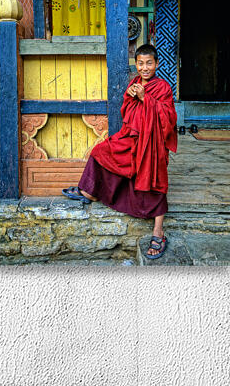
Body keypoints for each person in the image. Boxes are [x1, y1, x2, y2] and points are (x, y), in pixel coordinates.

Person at [62, 44, 178, 259]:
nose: (145, 68)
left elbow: (168, 118)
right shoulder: (134, 83)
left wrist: (146, 98)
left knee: (155, 177)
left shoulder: (162, 88)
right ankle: (90, 192)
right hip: (131, 137)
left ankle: (158, 232)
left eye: (149, 63)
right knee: (101, 151)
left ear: (157, 64)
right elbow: (126, 110)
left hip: (151, 142)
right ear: (136, 65)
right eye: (140, 63)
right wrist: (132, 95)